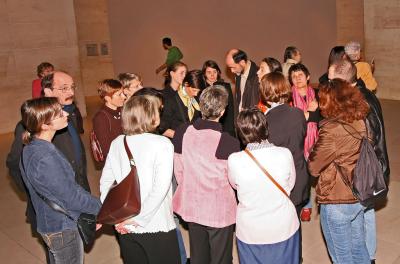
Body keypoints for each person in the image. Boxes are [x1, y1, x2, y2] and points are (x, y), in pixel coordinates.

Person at [100, 94, 181, 264]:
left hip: (125, 225)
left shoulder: (117, 142)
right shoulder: (163, 144)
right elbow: (160, 188)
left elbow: (105, 182)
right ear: (152, 118)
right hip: (156, 224)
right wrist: (138, 219)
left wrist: (118, 217)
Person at [19, 97, 101, 264]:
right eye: (59, 113)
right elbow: (71, 197)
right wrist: (100, 208)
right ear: (44, 124)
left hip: (50, 223)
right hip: (62, 227)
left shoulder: (30, 148)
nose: (65, 113)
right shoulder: (46, 156)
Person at [328, 58, 390, 264]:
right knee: (360, 224)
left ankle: (369, 257)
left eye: (331, 81)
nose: (328, 86)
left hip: (363, 178)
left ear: (343, 83)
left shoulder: (357, 103)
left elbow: (365, 143)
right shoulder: (365, 95)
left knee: (357, 227)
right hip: (369, 175)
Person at [172, 85, 240, 264]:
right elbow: (234, 181)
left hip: (192, 205)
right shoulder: (228, 142)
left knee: (198, 256)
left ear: (200, 106)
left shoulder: (183, 132)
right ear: (223, 111)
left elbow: (178, 171)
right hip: (219, 211)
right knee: (221, 259)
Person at [308, 78, 370, 263]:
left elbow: (313, 167)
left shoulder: (332, 130)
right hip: (359, 193)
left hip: (338, 199)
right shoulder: (360, 120)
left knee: (341, 256)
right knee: (359, 248)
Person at [228, 108, 299, 264]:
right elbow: (290, 185)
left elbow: (234, 185)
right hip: (283, 226)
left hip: (251, 230)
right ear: (265, 127)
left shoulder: (234, 159)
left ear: (240, 132)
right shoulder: (284, 153)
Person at [259, 72, 309, 261]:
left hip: (275, 182)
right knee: (294, 224)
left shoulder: (264, 120)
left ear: (265, 92)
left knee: (276, 227)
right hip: (297, 176)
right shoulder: (297, 114)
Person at [288, 63, 320, 222]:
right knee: (302, 176)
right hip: (298, 141)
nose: (297, 79)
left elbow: (320, 118)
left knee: (317, 175)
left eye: (300, 75)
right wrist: (310, 112)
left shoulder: (318, 95)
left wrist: (310, 115)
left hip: (318, 141)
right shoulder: (288, 98)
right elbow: (296, 121)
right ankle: (306, 206)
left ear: (308, 77)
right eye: (294, 76)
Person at [160, 64, 202, 139]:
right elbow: (162, 128)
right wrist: (184, 137)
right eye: (181, 73)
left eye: (186, 73)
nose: (184, 76)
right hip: (176, 141)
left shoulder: (193, 97)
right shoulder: (168, 96)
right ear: (172, 74)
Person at [92, 79, 126, 161]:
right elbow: (107, 150)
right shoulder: (101, 118)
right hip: (117, 160)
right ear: (107, 98)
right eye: (119, 95)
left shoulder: (122, 110)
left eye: (123, 93)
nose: (124, 97)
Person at [202, 60, 235, 137]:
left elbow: (230, 109)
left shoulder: (225, 86)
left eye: (214, 72)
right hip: (207, 127)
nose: (212, 75)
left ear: (218, 72)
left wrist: (230, 130)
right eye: (209, 72)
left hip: (225, 125)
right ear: (204, 74)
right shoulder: (202, 88)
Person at [225, 49, 259, 113]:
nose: (232, 71)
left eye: (233, 67)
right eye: (230, 68)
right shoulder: (238, 73)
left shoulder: (258, 76)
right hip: (241, 119)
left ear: (242, 62)